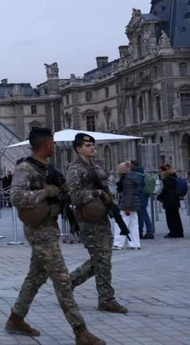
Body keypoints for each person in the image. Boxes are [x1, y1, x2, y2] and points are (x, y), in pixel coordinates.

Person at [5, 128, 103, 345]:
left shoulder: (49, 169)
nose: (55, 146)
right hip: (39, 230)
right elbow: (16, 197)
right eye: (53, 143)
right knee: (61, 280)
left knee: (36, 276)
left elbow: (68, 189)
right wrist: (46, 193)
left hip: (49, 226)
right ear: (46, 145)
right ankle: (80, 331)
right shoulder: (25, 168)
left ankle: (16, 318)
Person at [66, 133, 128, 314]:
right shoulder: (75, 169)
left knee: (102, 259)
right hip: (88, 219)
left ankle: (68, 283)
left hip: (101, 216)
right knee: (102, 259)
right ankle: (106, 299)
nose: (93, 148)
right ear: (78, 149)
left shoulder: (94, 166)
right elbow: (74, 196)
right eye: (88, 146)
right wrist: (95, 194)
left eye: (93, 145)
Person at [113, 162, 141, 250]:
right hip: (134, 202)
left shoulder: (127, 179)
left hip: (127, 203)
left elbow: (128, 193)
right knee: (134, 224)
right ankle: (135, 243)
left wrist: (127, 206)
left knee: (120, 223)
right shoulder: (133, 177)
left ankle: (118, 243)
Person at [157, 165, 184, 238]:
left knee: (170, 218)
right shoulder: (174, 177)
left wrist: (159, 197)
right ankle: (179, 232)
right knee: (176, 217)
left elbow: (165, 190)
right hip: (175, 200)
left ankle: (173, 232)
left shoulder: (168, 179)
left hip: (169, 201)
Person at [129, 162, 154, 240]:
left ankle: (147, 232)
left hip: (139, 198)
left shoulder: (136, 176)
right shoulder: (143, 176)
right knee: (143, 215)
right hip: (144, 198)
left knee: (142, 215)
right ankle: (145, 231)